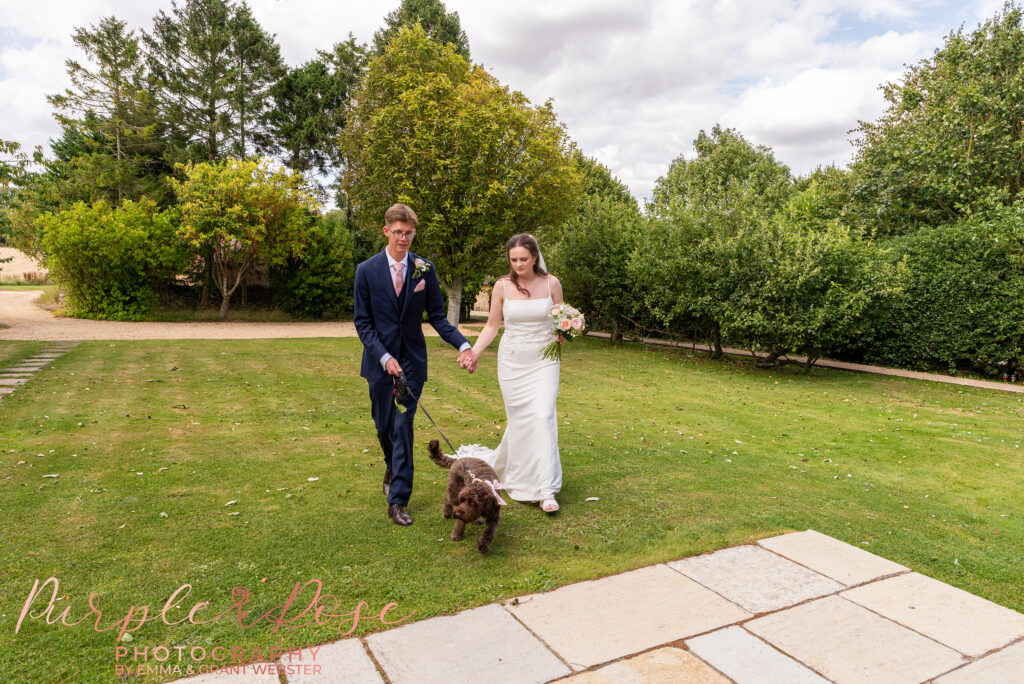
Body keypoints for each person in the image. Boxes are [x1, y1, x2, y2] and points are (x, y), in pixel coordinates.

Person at [353, 203, 475, 526]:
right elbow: (363, 323)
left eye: (409, 233)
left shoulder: (425, 269)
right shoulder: (366, 271)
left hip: (412, 363)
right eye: (398, 233)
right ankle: (391, 464)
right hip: (379, 363)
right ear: (386, 231)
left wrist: (463, 344)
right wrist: (384, 356)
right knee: (383, 426)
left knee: (403, 428)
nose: (403, 239)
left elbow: (437, 316)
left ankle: (398, 500)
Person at [461, 233, 564, 513]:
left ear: (535, 257)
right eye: (513, 259)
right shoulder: (502, 286)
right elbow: (493, 325)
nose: (518, 264)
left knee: (543, 415)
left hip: (544, 360)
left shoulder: (552, 283)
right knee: (520, 420)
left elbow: (560, 321)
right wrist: (474, 352)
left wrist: (566, 330)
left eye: (524, 259)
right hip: (512, 361)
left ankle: (546, 488)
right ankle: (518, 474)